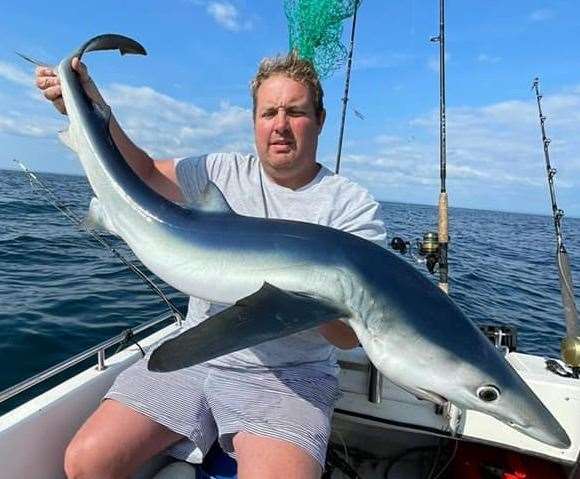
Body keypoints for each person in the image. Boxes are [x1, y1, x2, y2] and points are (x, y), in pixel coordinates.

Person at [36, 52, 386, 479]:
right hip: (194, 354)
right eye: (268, 112)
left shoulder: (350, 206)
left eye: (295, 112)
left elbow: (349, 336)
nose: (280, 125)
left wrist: (313, 292)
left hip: (287, 378)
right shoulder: (219, 171)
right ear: (254, 119)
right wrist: (90, 108)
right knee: (87, 461)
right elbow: (143, 172)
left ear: (320, 118)